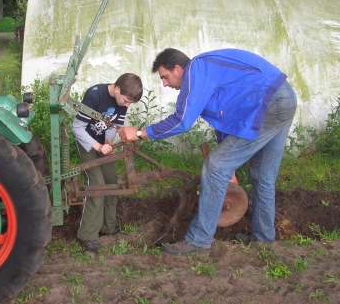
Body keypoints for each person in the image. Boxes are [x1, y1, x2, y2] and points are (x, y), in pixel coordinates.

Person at [118, 48, 297, 256]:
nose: (165, 84)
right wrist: (230, 171)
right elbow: (228, 120)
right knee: (262, 176)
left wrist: (139, 133)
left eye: (165, 77)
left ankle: (199, 240)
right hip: (283, 96)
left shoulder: (196, 69)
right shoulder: (210, 73)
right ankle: (264, 242)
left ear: (178, 69)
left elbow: (182, 121)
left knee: (215, 166)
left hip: (269, 102)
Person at [73, 73, 143, 252]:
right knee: (97, 185)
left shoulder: (122, 101)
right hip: (87, 143)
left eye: (130, 104)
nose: (126, 106)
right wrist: (97, 146)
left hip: (102, 144)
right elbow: (77, 128)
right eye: (126, 101)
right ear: (117, 89)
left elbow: (112, 126)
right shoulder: (95, 95)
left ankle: (108, 227)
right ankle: (87, 235)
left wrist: (108, 141)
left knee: (111, 181)